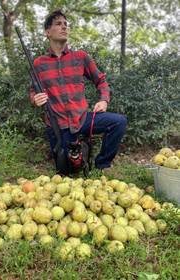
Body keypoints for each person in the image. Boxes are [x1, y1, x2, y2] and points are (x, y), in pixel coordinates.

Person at [29, 10, 127, 174]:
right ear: (47, 32)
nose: (64, 27)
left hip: (82, 119)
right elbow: (32, 91)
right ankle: (79, 156)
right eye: (58, 24)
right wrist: (35, 99)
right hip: (57, 125)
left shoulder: (80, 57)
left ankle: (101, 164)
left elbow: (101, 81)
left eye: (66, 24)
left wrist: (103, 100)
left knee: (119, 122)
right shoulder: (39, 63)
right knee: (67, 171)